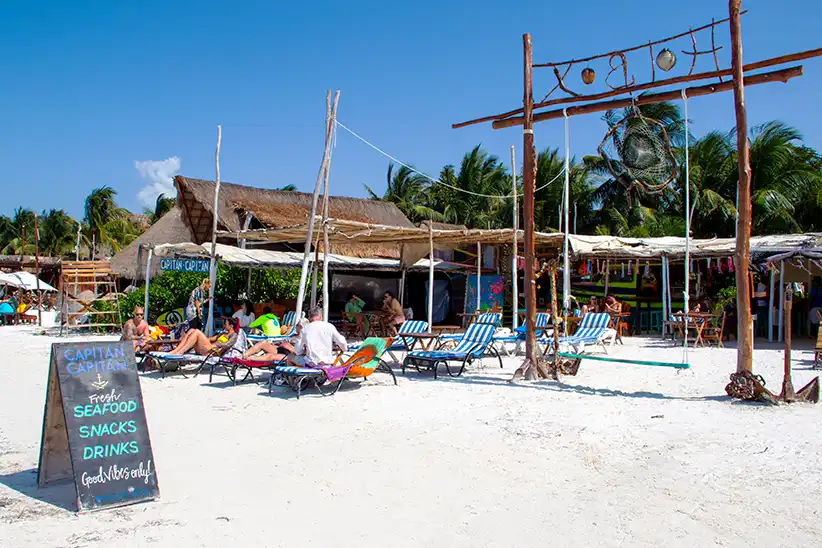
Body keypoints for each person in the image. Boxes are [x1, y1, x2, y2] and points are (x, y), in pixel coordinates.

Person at [170, 317, 242, 356]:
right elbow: (209, 339)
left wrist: (218, 344)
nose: (224, 326)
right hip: (207, 348)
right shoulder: (223, 333)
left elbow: (228, 344)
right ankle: (177, 350)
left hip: (213, 352)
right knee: (192, 330)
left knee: (197, 332)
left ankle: (180, 352)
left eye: (225, 324)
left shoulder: (234, 335)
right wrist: (192, 338)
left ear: (231, 326)